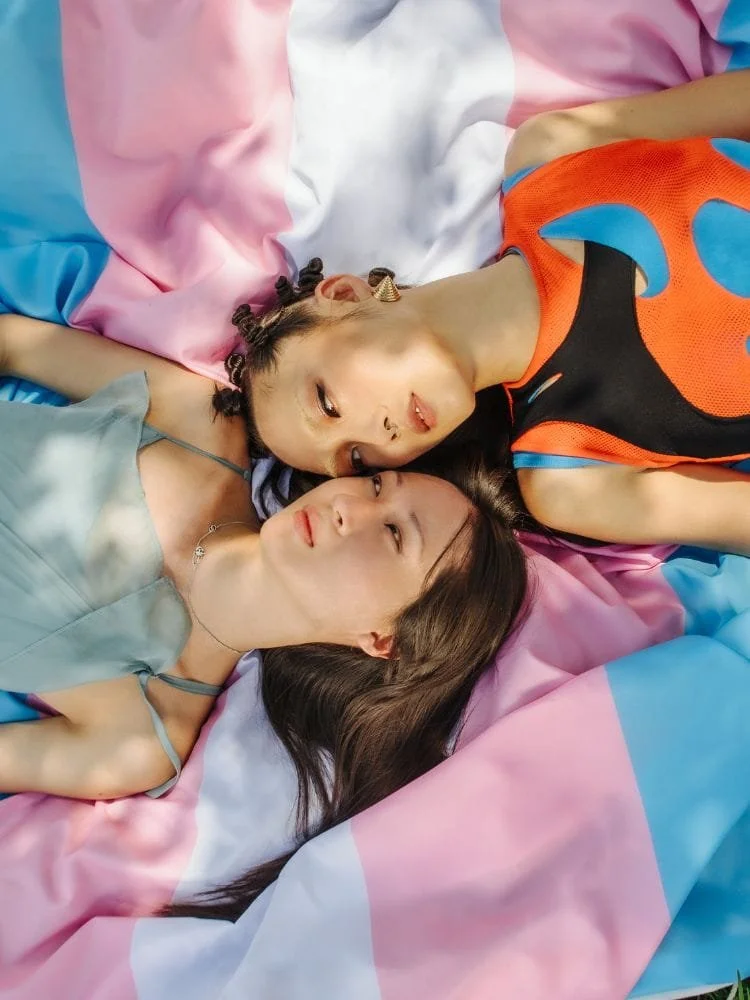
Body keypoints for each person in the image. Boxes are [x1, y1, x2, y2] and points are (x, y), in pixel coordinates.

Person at [0, 313, 528, 802]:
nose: (347, 505)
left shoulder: (139, 737)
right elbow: (16, 345)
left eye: (393, 534)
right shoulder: (203, 426)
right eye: (372, 484)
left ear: (384, 639)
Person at [220, 68, 750, 555]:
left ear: (342, 296)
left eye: (328, 403)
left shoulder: (553, 156)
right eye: (356, 460)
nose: (379, 437)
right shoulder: (569, 480)